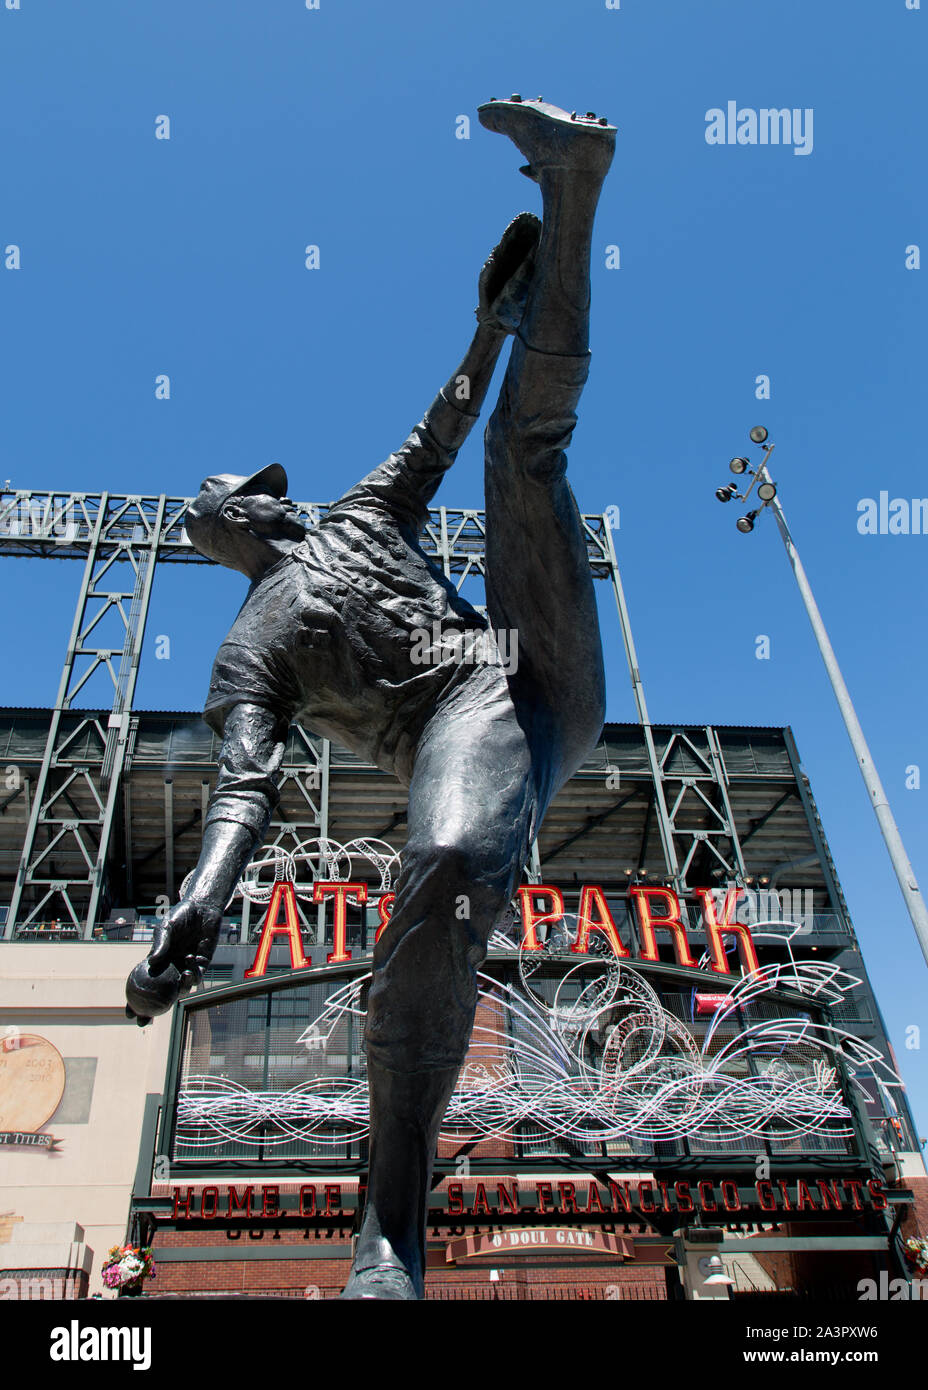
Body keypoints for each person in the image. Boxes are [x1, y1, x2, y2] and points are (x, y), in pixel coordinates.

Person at [126, 96, 614, 1300]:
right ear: (231, 529)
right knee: (439, 864)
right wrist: (198, 902)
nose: (230, 498)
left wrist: (491, 330)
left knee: (520, 450)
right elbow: (250, 787)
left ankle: (576, 182)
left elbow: (440, 429)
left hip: (527, 663)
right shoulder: (250, 652)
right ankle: (386, 1240)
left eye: (228, 490)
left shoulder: (354, 509)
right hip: (473, 734)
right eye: (221, 498)